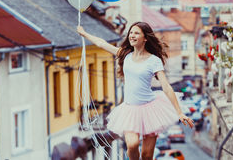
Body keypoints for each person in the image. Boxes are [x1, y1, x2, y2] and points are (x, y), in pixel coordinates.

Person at [77, 22, 194, 160]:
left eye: (136, 33)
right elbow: (102, 44)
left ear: (145, 38)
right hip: (130, 110)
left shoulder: (153, 61)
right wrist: (84, 33)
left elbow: (166, 86)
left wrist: (179, 112)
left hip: (151, 109)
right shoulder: (125, 55)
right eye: (131, 32)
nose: (132, 35)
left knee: (146, 155)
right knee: (132, 145)